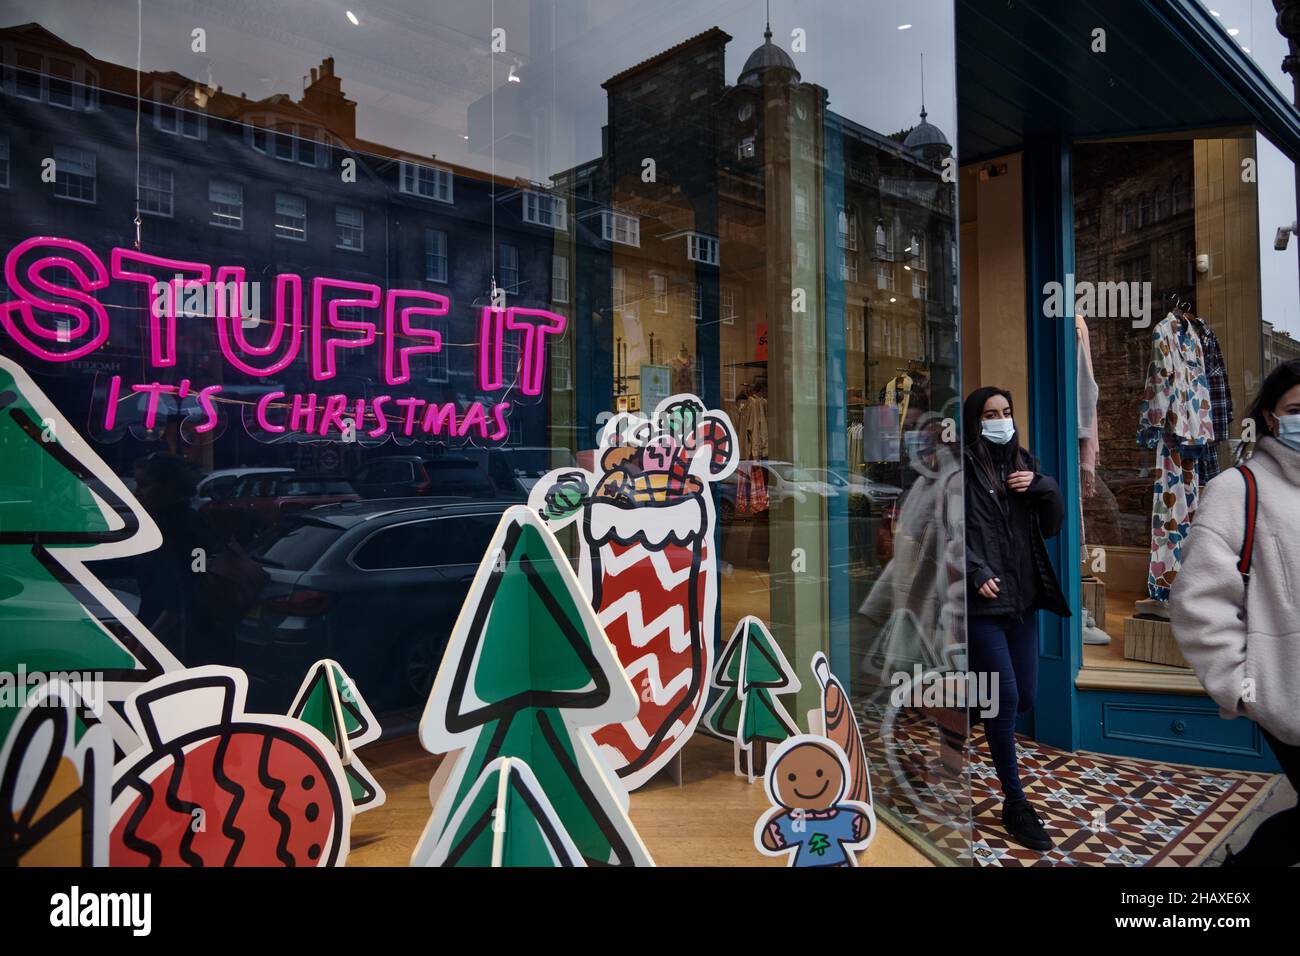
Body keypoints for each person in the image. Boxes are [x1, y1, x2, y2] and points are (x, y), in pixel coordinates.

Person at [1170, 359, 1300, 867]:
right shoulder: (1237, 489)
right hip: (1287, 701)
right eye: (1295, 409)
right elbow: (1198, 602)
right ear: (1270, 417)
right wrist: (1244, 687)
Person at [962, 387, 1071, 851]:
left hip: (1022, 603)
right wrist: (974, 569)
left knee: (1023, 694)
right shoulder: (961, 466)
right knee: (1005, 699)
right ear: (975, 421)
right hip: (983, 606)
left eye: (1006, 412)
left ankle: (957, 710)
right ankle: (1015, 803)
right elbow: (938, 528)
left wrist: (1045, 487)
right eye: (990, 414)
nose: (1001, 420)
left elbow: (1051, 525)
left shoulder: (1026, 463)